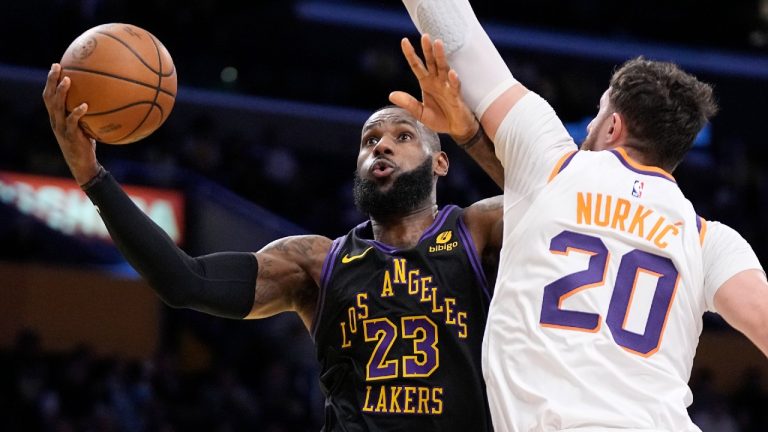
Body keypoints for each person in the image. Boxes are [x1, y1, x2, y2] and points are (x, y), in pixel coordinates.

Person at [42, 63, 503, 431]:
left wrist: (471, 136)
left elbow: (546, 202)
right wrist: (92, 178)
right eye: (369, 141)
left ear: (440, 163)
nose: (381, 147)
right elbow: (185, 281)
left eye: (402, 136)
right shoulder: (317, 262)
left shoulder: (477, 231)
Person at [392, 1, 768, 431]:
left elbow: (453, 30)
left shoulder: (553, 161)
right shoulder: (709, 240)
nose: (589, 126)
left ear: (612, 127)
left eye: (598, 113)